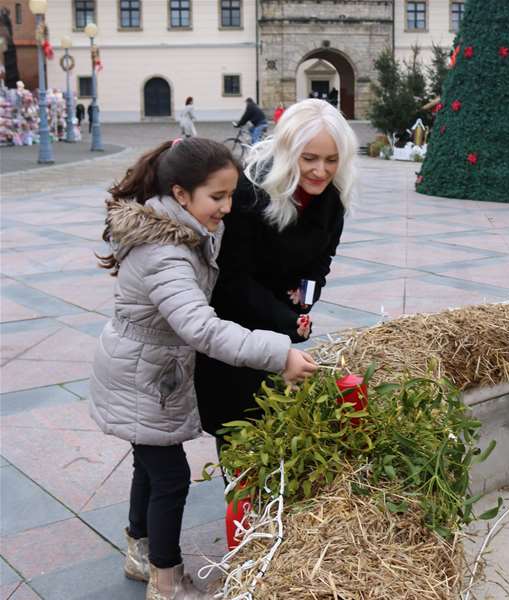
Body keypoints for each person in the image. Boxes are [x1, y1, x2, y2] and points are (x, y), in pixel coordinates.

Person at [89, 137, 317, 600]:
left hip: (147, 369)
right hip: (144, 375)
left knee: (150, 464)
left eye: (232, 194)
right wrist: (281, 354)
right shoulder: (165, 253)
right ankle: (167, 578)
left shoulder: (182, 225)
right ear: (180, 194)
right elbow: (203, 329)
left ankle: (139, 548)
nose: (228, 207)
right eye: (218, 196)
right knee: (169, 475)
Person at [195, 98, 357, 456]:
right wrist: (288, 318)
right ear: (289, 152)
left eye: (331, 160)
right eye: (310, 158)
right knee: (241, 430)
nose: (321, 170)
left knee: (275, 429)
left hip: (280, 327)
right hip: (235, 330)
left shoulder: (332, 200)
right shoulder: (250, 196)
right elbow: (232, 282)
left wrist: (306, 298)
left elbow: (321, 260)